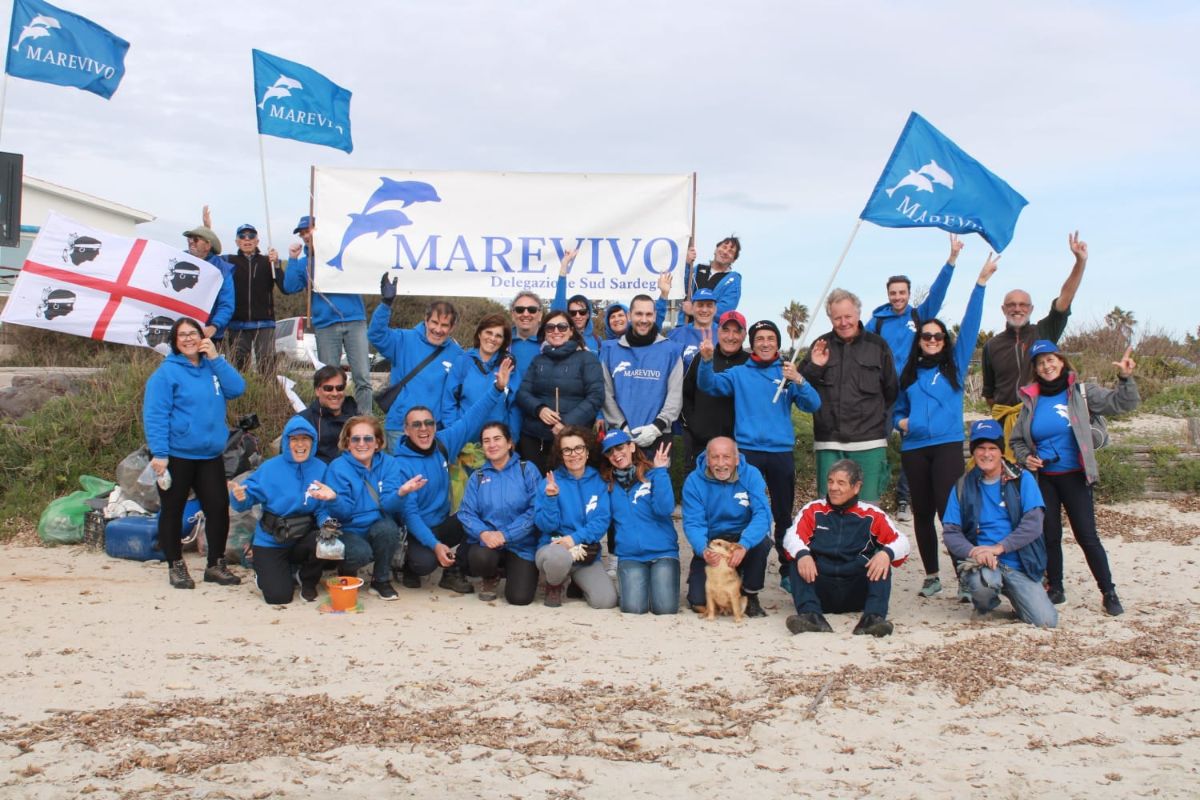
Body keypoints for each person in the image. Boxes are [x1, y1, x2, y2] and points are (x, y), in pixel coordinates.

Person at [893, 254, 997, 598]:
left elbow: (970, 323)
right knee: (921, 513)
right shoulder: (909, 372)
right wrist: (900, 421)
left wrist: (980, 283)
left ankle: (964, 577)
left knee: (948, 512)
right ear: (919, 339)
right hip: (915, 448)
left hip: (948, 445)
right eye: (927, 336)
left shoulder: (954, 364)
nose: (933, 341)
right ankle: (932, 575)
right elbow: (896, 407)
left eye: (938, 336)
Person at [1010, 341, 1139, 616]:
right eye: (1041, 362)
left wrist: (1125, 378)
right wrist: (1025, 458)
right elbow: (1017, 441)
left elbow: (1122, 403)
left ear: (1062, 361)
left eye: (1051, 360)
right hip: (1045, 478)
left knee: (1087, 536)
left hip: (1075, 477)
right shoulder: (1030, 400)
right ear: (1035, 368)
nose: (1047, 366)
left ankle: (1108, 591)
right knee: (1050, 535)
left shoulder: (1081, 392)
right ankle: (1055, 588)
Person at [698, 319, 821, 574]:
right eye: (760, 339)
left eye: (770, 338)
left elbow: (813, 405)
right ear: (752, 344)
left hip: (780, 453)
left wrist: (799, 380)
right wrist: (707, 360)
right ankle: (748, 565)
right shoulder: (739, 373)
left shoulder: (787, 372)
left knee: (783, 514)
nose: (765, 343)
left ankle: (787, 568)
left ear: (778, 342)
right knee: (747, 510)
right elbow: (708, 384)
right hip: (748, 452)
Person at [142, 317, 246, 589]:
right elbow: (155, 415)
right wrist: (160, 453)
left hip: (209, 454)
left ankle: (215, 564)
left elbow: (237, 389)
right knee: (172, 510)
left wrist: (216, 358)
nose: (188, 339)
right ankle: (175, 565)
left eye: (193, 333)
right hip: (177, 454)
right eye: (182, 335)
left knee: (218, 508)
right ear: (175, 343)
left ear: (203, 337)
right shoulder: (166, 374)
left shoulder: (212, 367)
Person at [866, 233, 963, 521]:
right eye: (893, 293)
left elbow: (939, 293)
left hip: (913, 389)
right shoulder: (878, 321)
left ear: (909, 294)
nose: (897, 297)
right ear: (888, 294)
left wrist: (952, 260)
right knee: (877, 445)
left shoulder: (919, 317)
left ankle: (905, 499)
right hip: (885, 394)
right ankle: (872, 498)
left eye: (902, 292)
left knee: (913, 443)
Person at [392, 363, 510, 592]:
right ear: (406, 430)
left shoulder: (443, 443)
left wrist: (497, 388)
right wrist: (435, 545)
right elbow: (411, 515)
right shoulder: (399, 465)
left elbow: (471, 418)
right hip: (415, 528)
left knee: (479, 516)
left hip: (443, 522)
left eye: (429, 423)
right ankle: (407, 564)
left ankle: (452, 571)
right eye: (416, 425)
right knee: (424, 563)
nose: (423, 429)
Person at [943, 420, 1058, 628]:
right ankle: (984, 607)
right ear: (973, 451)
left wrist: (999, 548)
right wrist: (975, 551)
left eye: (992, 448)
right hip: (984, 563)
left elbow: (1034, 524)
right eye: (980, 448)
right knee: (983, 583)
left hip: (1020, 564)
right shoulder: (962, 485)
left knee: (1046, 621)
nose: (986, 454)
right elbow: (950, 532)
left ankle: (1021, 599)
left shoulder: (1022, 479)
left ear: (1001, 452)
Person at [982, 232, 1090, 450]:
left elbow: (1065, 299)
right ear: (1004, 309)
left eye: (1023, 305)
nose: (1017, 308)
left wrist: (1080, 261)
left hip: (1042, 420)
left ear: (1030, 309)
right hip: (1006, 424)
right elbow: (990, 392)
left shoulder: (1044, 332)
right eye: (1011, 305)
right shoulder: (991, 346)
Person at [782, 459, 910, 637]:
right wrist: (803, 554)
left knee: (881, 561)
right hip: (821, 587)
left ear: (856, 487)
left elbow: (903, 542)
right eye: (830, 481)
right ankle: (811, 616)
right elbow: (790, 537)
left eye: (841, 483)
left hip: (856, 589)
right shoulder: (813, 510)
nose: (834, 487)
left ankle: (873, 619)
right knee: (797, 558)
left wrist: (887, 553)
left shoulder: (872, 514)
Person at [800, 288, 898, 502]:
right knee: (829, 508)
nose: (843, 323)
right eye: (837, 318)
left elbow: (891, 391)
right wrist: (815, 367)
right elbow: (801, 389)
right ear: (830, 318)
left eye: (848, 316)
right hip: (829, 443)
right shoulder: (820, 345)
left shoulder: (878, 346)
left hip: (869, 443)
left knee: (868, 509)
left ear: (858, 313)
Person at [229, 416, 336, 604]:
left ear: (313, 442)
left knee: (326, 540)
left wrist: (326, 523)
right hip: (272, 539)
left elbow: (321, 508)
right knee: (279, 597)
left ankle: (306, 579)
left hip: (302, 536)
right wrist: (238, 498)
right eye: (294, 439)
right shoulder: (270, 468)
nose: (300, 444)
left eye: (305, 439)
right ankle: (264, 571)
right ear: (287, 442)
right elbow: (246, 499)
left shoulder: (321, 468)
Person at [320, 416, 421, 601]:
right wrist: (334, 499)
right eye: (355, 439)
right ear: (347, 443)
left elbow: (388, 506)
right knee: (360, 553)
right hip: (347, 526)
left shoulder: (389, 464)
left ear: (377, 443)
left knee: (389, 529)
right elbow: (342, 513)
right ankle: (347, 571)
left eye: (368, 438)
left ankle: (380, 580)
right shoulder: (338, 468)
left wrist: (401, 493)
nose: (362, 443)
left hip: (376, 522)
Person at [281, 216, 373, 415]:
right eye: (302, 233)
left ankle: (365, 421)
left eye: (309, 230)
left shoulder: (342, 251)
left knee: (362, 377)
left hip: (354, 320)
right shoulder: (305, 263)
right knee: (329, 380)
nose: (305, 235)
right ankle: (332, 420)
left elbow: (364, 263)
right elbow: (289, 286)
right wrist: (293, 258)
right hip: (325, 325)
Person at [681, 437, 773, 618]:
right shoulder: (693, 481)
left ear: (736, 459)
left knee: (761, 542)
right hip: (713, 541)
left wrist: (744, 544)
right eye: (715, 457)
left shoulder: (751, 475)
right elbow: (693, 523)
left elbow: (763, 515)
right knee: (698, 602)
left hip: (741, 537)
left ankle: (750, 594)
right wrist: (703, 549)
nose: (721, 463)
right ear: (707, 459)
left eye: (727, 457)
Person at [372, 274, 464, 443]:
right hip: (400, 428)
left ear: (452, 328)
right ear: (426, 320)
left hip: (435, 431)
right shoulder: (403, 339)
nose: (438, 329)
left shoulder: (457, 354)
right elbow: (376, 335)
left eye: (444, 325)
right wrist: (385, 305)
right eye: (434, 322)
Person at [533, 426, 617, 609]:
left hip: (584, 553)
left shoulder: (599, 481)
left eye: (578, 448)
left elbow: (602, 520)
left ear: (587, 452)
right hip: (553, 548)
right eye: (567, 450)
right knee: (558, 558)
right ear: (561, 454)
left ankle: (576, 583)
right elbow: (545, 526)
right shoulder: (549, 482)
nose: (574, 454)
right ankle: (553, 584)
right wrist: (551, 499)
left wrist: (574, 538)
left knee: (605, 601)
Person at [457, 422, 540, 605]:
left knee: (519, 598)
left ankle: (516, 571)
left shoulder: (527, 470)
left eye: (497, 439)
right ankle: (490, 576)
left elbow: (536, 510)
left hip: (521, 544)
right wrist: (484, 533)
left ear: (509, 443)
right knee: (480, 558)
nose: (492, 444)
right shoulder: (477, 476)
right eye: (486, 441)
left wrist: (506, 534)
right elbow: (466, 512)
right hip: (488, 544)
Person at [515, 310, 605, 472]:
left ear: (571, 331)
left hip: (572, 440)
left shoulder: (587, 359)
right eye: (550, 327)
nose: (556, 331)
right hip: (535, 439)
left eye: (562, 327)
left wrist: (566, 424)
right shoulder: (538, 360)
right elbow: (523, 393)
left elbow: (596, 397)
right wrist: (539, 409)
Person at [600, 430, 678, 615]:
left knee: (665, 609)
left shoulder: (653, 474)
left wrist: (661, 472)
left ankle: (655, 586)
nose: (616, 454)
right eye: (610, 452)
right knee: (633, 609)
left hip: (663, 553)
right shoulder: (607, 484)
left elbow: (665, 509)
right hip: (630, 556)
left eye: (620, 447)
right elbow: (600, 519)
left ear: (632, 446)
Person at [600, 294, 683, 453]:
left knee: (656, 478)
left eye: (649, 314)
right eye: (639, 314)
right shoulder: (610, 350)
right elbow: (606, 393)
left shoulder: (671, 350)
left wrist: (657, 427)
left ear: (655, 316)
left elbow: (675, 395)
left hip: (658, 436)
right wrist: (622, 426)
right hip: (621, 435)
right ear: (629, 316)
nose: (644, 319)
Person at [681, 310, 748, 473]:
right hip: (700, 444)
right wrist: (693, 424)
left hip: (737, 447)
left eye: (736, 331)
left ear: (744, 335)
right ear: (718, 332)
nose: (730, 336)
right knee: (698, 493)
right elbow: (685, 393)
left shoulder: (749, 364)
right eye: (726, 330)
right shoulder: (702, 357)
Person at [441, 313, 520, 438]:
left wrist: (513, 438)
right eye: (488, 332)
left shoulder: (508, 365)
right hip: (464, 439)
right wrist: (453, 433)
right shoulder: (463, 362)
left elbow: (514, 406)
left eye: (498, 336)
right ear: (479, 334)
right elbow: (449, 401)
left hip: (497, 442)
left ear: (504, 341)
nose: (493, 338)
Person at [221, 222, 284, 374]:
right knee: (238, 368)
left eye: (251, 236)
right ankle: (240, 398)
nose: (247, 239)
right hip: (237, 324)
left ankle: (268, 397)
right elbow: (209, 257)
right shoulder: (228, 261)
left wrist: (276, 264)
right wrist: (207, 227)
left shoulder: (268, 261)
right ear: (237, 241)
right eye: (242, 236)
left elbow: (284, 287)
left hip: (264, 323)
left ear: (257, 241)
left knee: (267, 367)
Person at [182, 222, 234, 344]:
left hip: (209, 335)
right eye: (189, 238)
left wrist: (215, 326)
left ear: (207, 246)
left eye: (196, 239)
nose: (191, 242)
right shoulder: (179, 260)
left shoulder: (221, 269)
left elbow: (226, 304)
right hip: (182, 333)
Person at [299, 365, 360, 464]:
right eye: (328, 388)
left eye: (340, 388)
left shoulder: (358, 419)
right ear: (317, 391)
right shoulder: (304, 421)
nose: (335, 393)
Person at [677, 236, 742, 324]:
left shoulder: (733, 279)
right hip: (684, 327)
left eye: (731, 251)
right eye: (724, 247)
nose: (725, 252)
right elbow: (681, 288)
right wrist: (687, 264)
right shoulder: (697, 269)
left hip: (710, 332)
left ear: (734, 259)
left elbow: (725, 309)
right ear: (715, 250)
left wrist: (694, 311)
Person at [551, 249, 602, 351]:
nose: (578, 316)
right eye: (573, 313)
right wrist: (564, 265)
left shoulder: (597, 341)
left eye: (582, 312)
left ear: (588, 314)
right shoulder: (562, 337)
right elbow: (558, 304)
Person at [509, 292, 544, 373]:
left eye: (532, 310)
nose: (525, 314)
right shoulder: (501, 343)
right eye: (519, 310)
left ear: (540, 315)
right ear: (512, 315)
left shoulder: (550, 344)